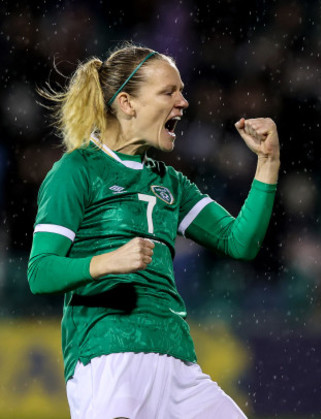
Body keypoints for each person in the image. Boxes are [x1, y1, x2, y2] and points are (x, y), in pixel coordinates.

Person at [28, 44, 280, 418]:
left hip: (178, 362)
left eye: (181, 91)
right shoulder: (76, 170)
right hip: (108, 356)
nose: (183, 102)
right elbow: (40, 272)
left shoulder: (171, 183)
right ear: (127, 103)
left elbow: (239, 242)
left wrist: (268, 161)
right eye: (169, 92)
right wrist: (107, 262)